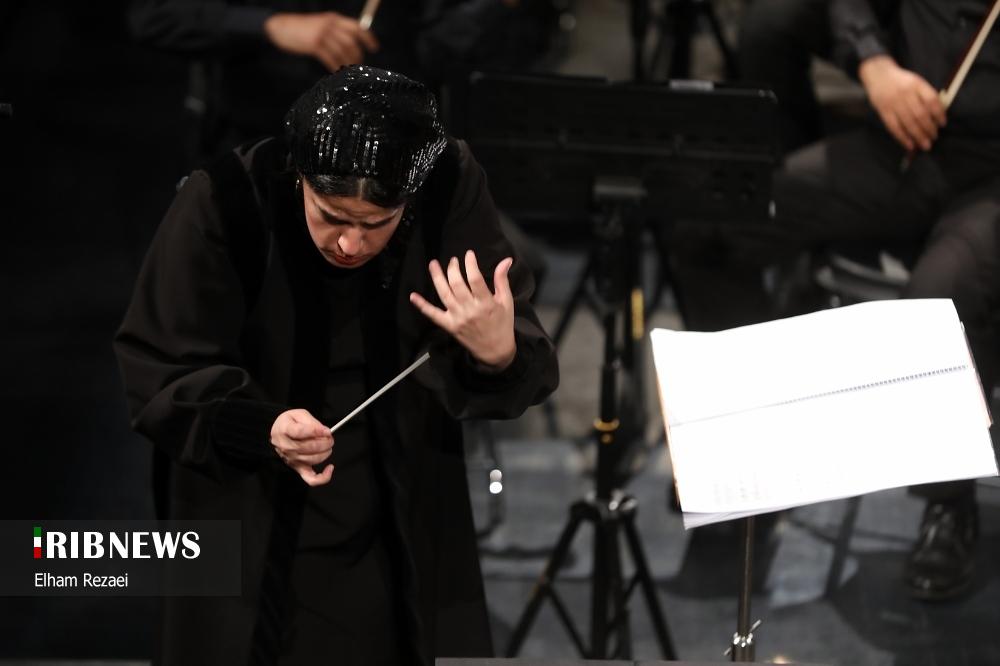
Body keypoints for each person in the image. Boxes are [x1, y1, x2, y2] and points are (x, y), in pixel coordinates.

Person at [113, 65, 559, 664]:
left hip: (395, 488)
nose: (351, 244)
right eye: (331, 216)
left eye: (376, 224)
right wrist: (261, 426)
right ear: (300, 177)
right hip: (243, 497)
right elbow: (160, 363)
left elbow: (517, 346)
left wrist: (498, 351)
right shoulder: (223, 199)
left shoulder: (446, 182)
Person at [671, 0, 1000, 600]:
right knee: (707, 227)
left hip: (992, 178)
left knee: (937, 300)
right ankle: (753, 448)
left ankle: (950, 506)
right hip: (904, 144)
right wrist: (875, 61)